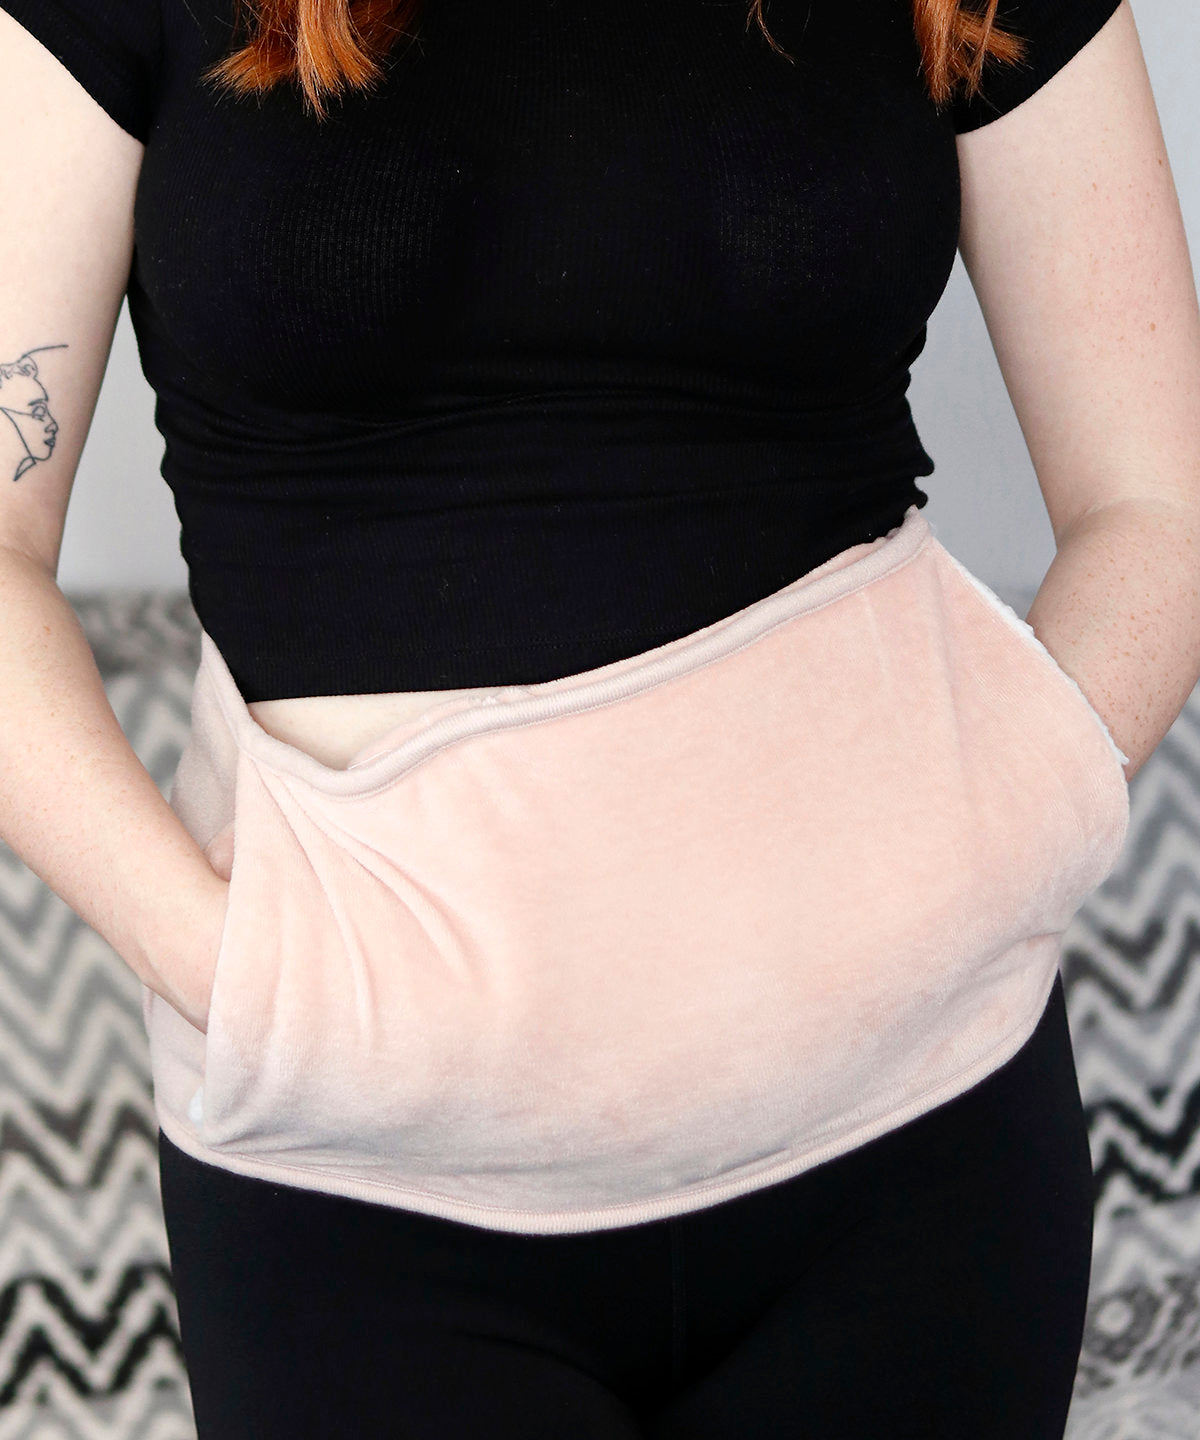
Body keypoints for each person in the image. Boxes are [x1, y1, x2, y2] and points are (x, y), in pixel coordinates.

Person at [1, 0, 1198, 1434]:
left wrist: (1002, 829)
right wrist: (236, 972)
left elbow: (1160, 502)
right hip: (360, 1186)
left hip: (920, 1141)